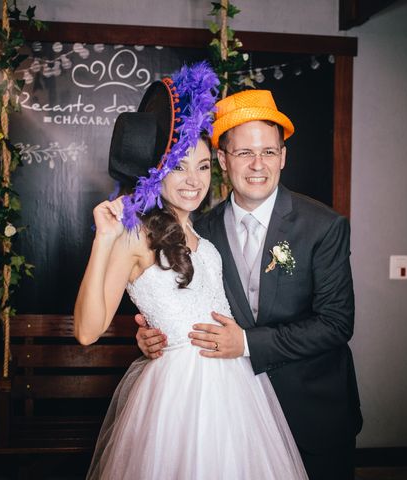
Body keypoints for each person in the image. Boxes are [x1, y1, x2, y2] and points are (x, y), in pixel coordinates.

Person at [74, 63, 308, 480]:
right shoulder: (134, 236)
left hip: (238, 391)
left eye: (203, 167)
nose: (193, 180)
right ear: (158, 171)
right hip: (179, 395)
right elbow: (88, 331)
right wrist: (103, 240)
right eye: (179, 166)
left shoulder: (205, 237)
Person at [136, 89, 363, 480]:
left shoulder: (324, 226)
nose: (258, 165)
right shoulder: (198, 231)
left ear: (283, 157)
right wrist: (151, 334)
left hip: (313, 415)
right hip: (230, 423)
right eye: (244, 153)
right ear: (223, 160)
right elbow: (183, 302)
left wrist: (245, 344)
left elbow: (336, 323)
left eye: (269, 152)